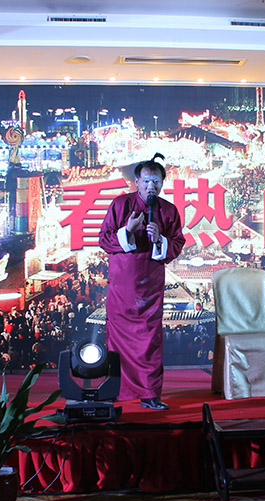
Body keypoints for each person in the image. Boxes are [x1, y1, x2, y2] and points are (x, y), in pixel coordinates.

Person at [98, 154, 186, 409]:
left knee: (150, 342)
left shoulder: (168, 211)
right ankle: (115, 390)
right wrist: (128, 231)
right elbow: (104, 240)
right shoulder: (120, 205)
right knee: (117, 342)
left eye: (156, 182)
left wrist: (160, 239)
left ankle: (150, 394)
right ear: (136, 181)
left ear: (162, 183)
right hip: (122, 288)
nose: (151, 187)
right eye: (146, 181)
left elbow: (177, 244)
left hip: (150, 288)